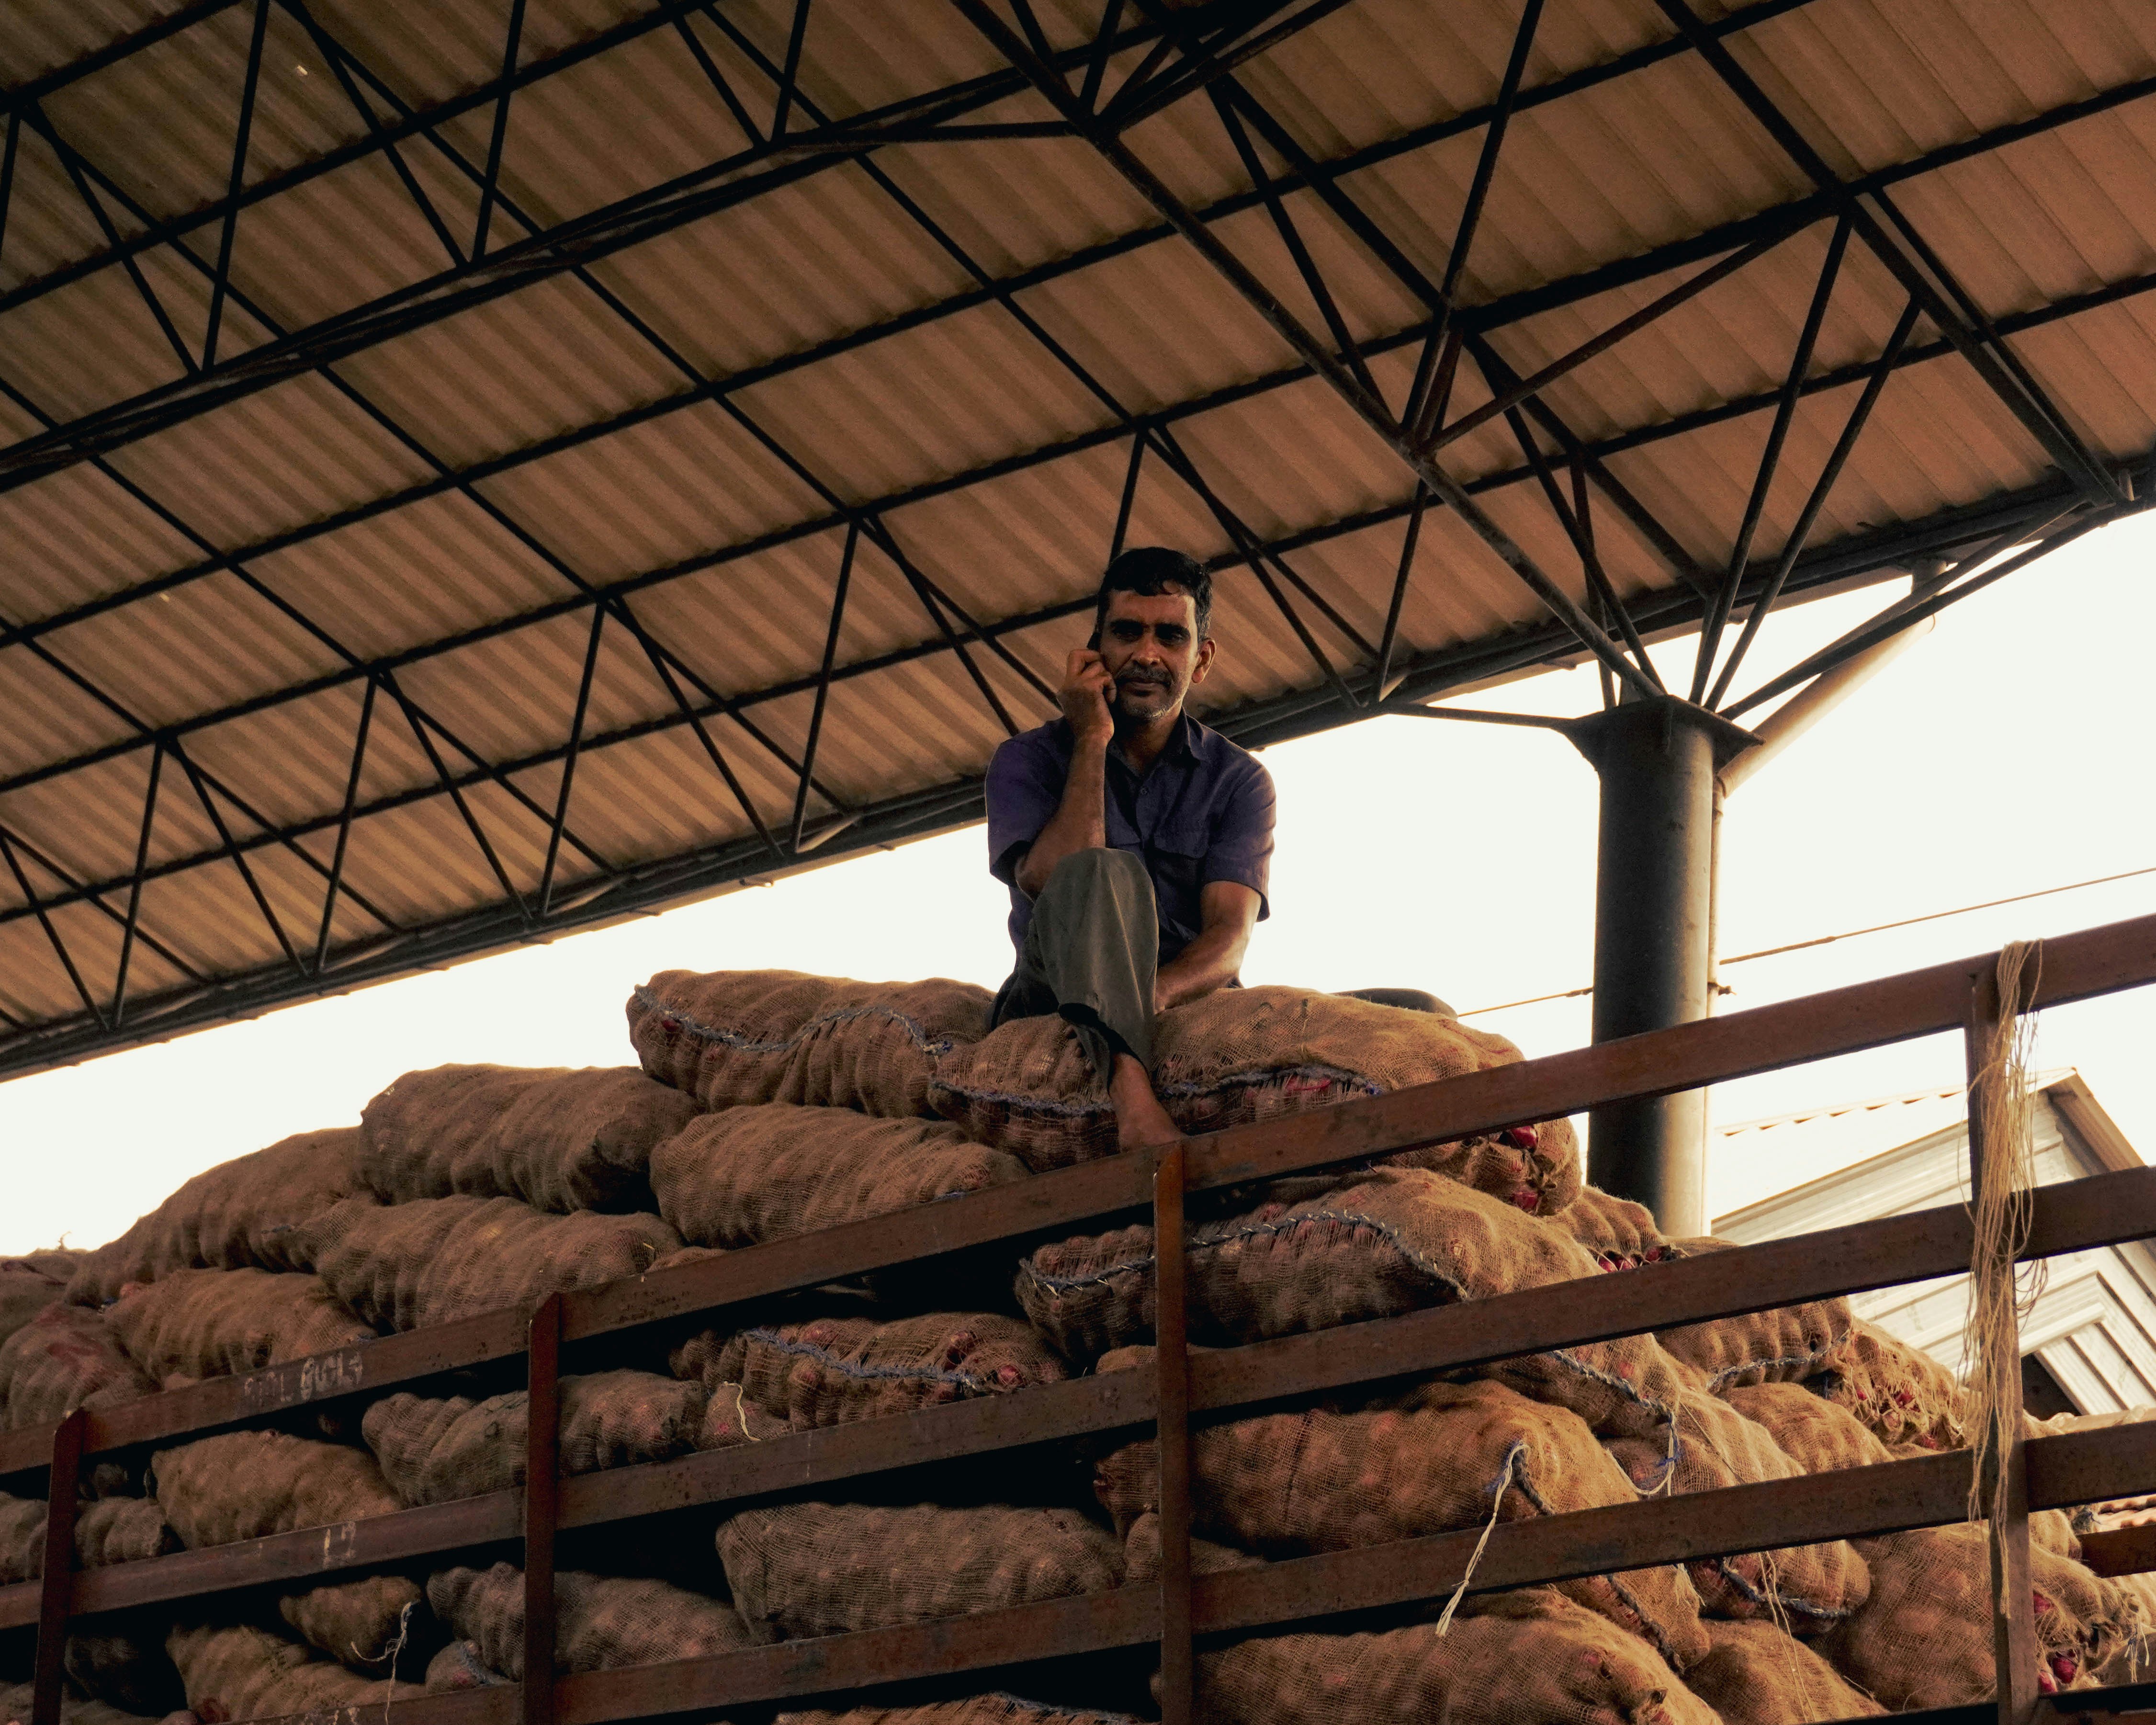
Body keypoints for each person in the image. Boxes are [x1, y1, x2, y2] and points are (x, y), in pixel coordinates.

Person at [983, 547, 1275, 1150]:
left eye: (1170, 635)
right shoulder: (1026, 760)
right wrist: (1091, 736)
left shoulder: (1239, 779)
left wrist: (1150, 997)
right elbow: (1051, 879)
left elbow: (1229, 939)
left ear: (1202, 661)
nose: (1146, 653)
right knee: (1100, 870)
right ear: (1095, 649)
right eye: (1126, 632)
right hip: (1053, 992)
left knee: (1414, 1008)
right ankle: (1134, 1100)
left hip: (1182, 994)